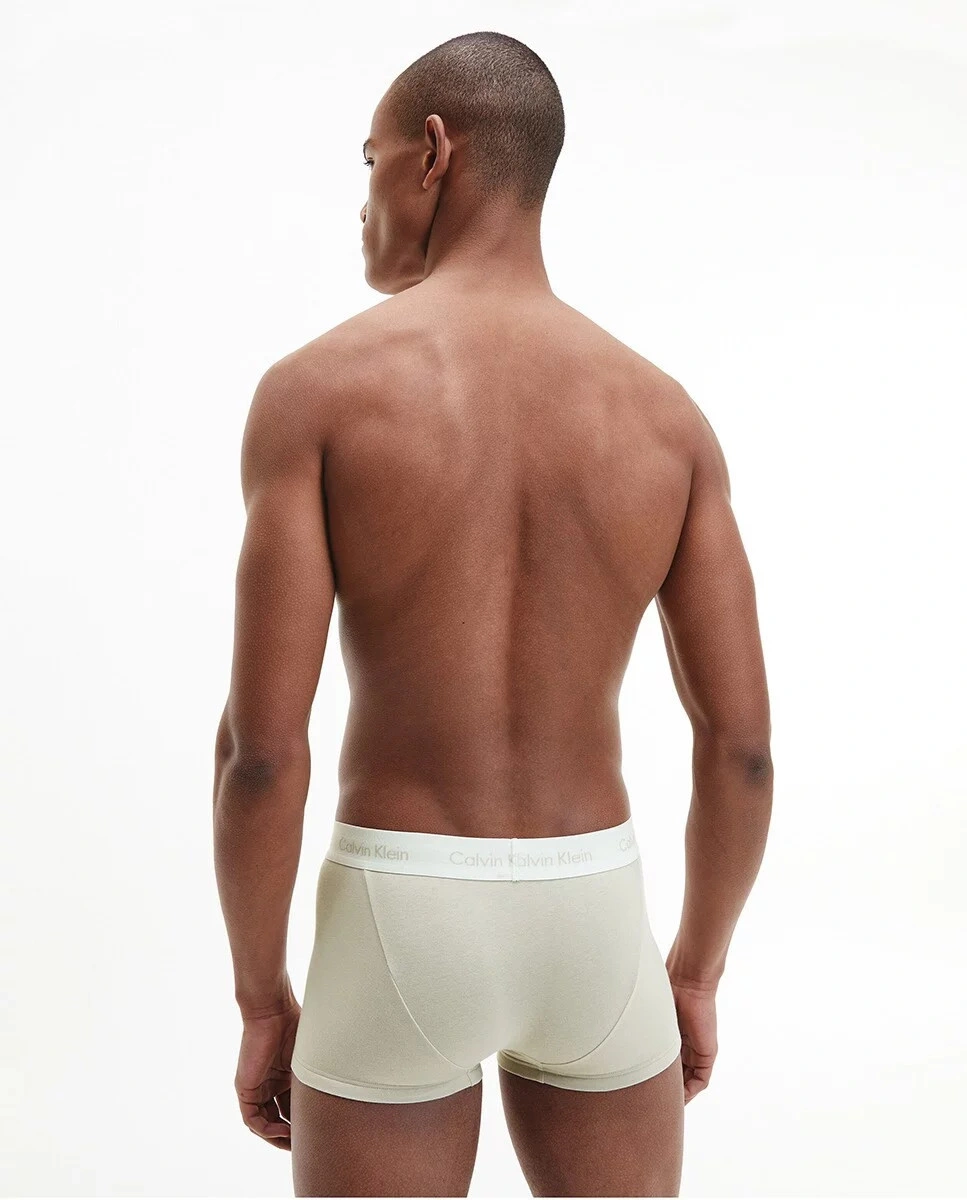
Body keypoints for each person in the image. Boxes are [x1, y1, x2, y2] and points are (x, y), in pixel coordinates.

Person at [212, 29, 773, 1198]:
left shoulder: (315, 396)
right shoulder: (666, 419)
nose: (361, 201)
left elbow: (260, 754)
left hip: (397, 909)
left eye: (368, 161)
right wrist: (691, 973)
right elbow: (742, 751)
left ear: (433, 153)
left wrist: (263, 999)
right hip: (594, 910)